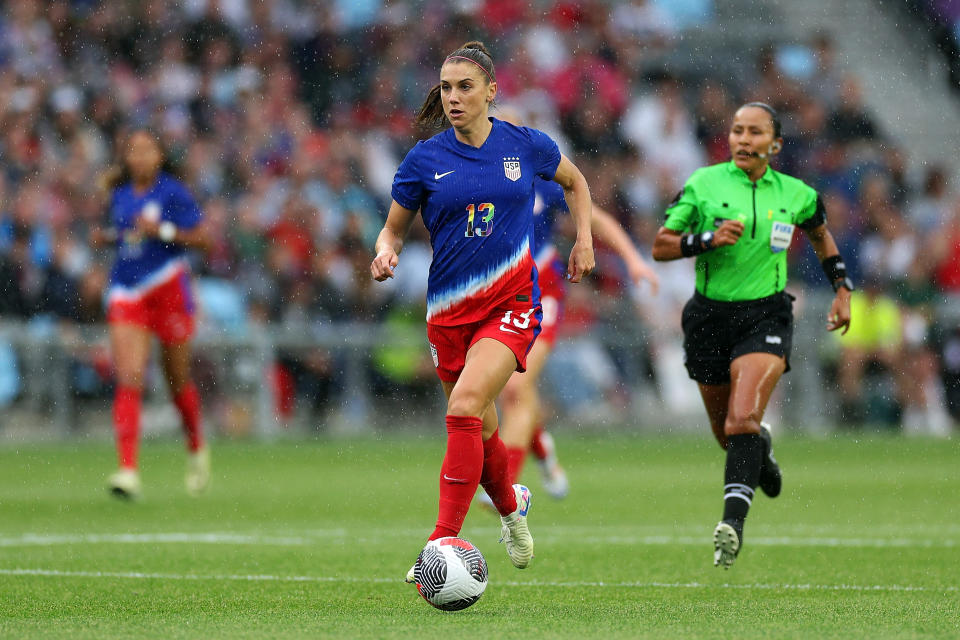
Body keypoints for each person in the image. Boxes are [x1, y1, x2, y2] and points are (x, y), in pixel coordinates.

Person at [370, 42, 595, 578]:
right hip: (448, 314)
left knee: (465, 406)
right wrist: (385, 251)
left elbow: (576, 182)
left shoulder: (526, 145)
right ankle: (513, 509)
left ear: (491, 92)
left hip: (512, 304)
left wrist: (584, 239)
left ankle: (441, 540)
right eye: (446, 88)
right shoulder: (424, 160)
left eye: (465, 87)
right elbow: (394, 227)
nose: (453, 97)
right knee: (483, 427)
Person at [651, 102, 853, 568]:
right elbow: (661, 245)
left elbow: (821, 236)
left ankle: (731, 526)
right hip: (708, 317)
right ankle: (760, 451)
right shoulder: (704, 184)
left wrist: (842, 289)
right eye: (738, 131)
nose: (743, 139)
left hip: (767, 315)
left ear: (775, 144)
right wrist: (706, 240)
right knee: (730, 434)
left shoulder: (798, 194)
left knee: (742, 419)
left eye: (755, 132)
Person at [494, 176, 660, 500]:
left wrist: (632, 259)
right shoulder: (474, 181)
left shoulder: (540, 184)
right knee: (510, 394)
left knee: (515, 387)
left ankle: (504, 488)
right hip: (497, 300)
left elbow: (596, 218)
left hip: (541, 296)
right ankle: (543, 451)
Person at [92, 129, 211, 499]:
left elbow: (203, 238)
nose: (140, 156)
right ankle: (127, 469)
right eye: (133, 150)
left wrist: (163, 229)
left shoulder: (174, 192)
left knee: (177, 379)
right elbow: (128, 237)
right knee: (129, 377)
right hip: (128, 289)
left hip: (168, 288)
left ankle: (196, 446)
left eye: (147, 149)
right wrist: (108, 238)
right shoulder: (120, 194)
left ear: (160, 156)